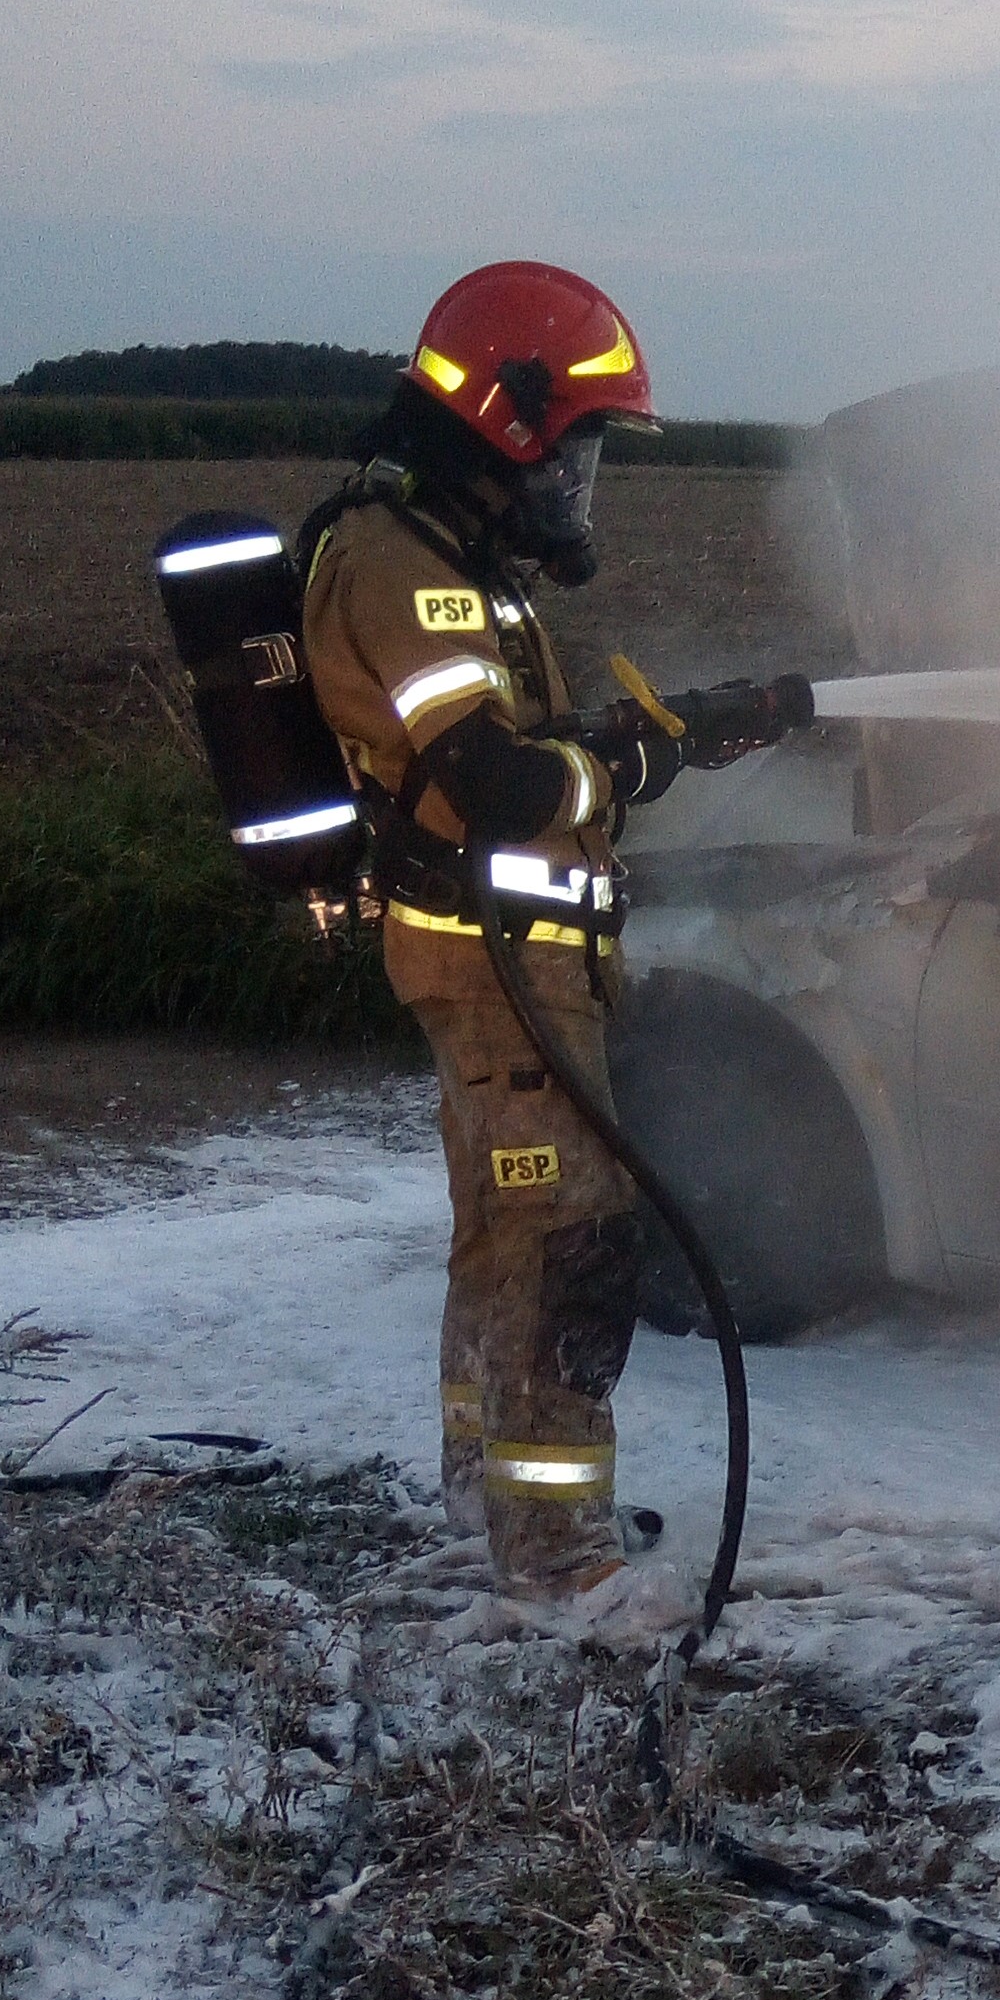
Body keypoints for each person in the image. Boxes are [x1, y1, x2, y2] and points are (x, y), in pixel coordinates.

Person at [301, 261, 738, 1607]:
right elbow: (491, 784)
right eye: (577, 447)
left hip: (514, 962)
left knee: (507, 1235)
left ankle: (484, 1502)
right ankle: (556, 1554)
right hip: (494, 966)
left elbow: (505, 746)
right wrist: (621, 772)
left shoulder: (448, 561)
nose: (581, 482)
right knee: (569, 1242)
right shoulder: (400, 569)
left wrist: (632, 739)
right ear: (507, 418)